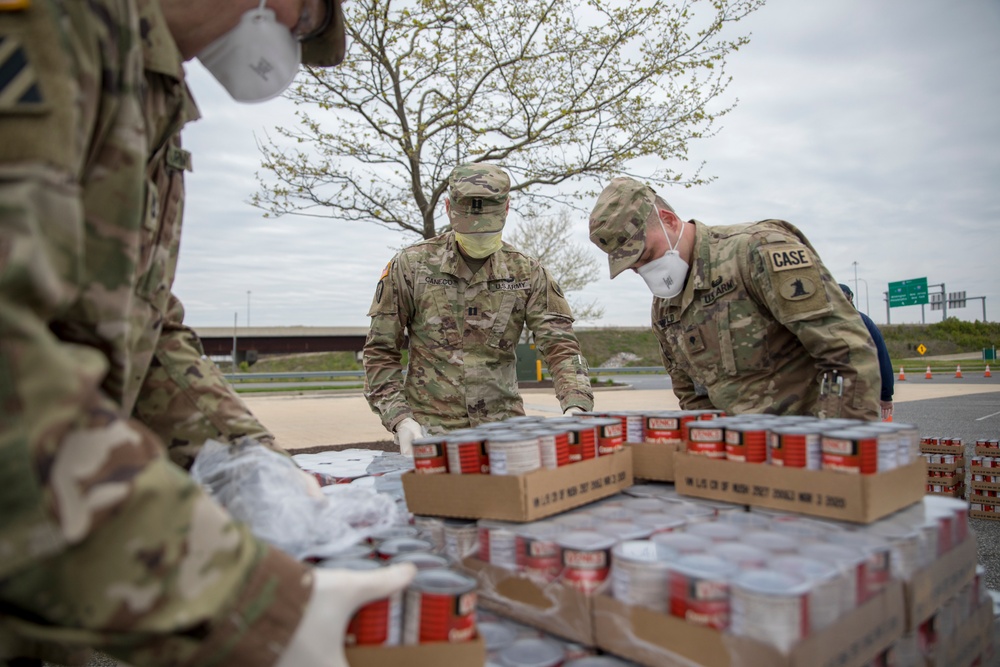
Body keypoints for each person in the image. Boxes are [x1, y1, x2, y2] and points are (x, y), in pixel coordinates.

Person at [0, 1, 413, 666]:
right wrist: (244, 600)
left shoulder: (149, 87)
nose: (291, 40)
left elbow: (146, 323)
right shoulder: (61, 26)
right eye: (304, 21)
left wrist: (255, 459)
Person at [588, 177, 881, 420]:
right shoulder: (666, 307)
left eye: (647, 255)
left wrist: (839, 446)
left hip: (807, 445)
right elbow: (691, 393)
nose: (643, 270)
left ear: (669, 221)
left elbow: (847, 351)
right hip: (743, 457)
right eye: (633, 267)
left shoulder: (757, 251)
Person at [364, 163, 594, 453]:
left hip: (505, 436)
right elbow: (380, 353)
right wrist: (399, 418)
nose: (479, 239)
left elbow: (561, 347)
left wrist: (576, 405)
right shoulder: (411, 267)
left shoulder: (526, 272)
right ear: (448, 208)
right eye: (471, 232)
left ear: (507, 208)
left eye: (487, 232)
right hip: (430, 436)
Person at [840, 284, 894, 420]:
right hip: (852, 391)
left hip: (850, 390)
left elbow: (881, 356)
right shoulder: (863, 321)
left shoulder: (863, 323)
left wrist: (886, 395)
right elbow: (881, 355)